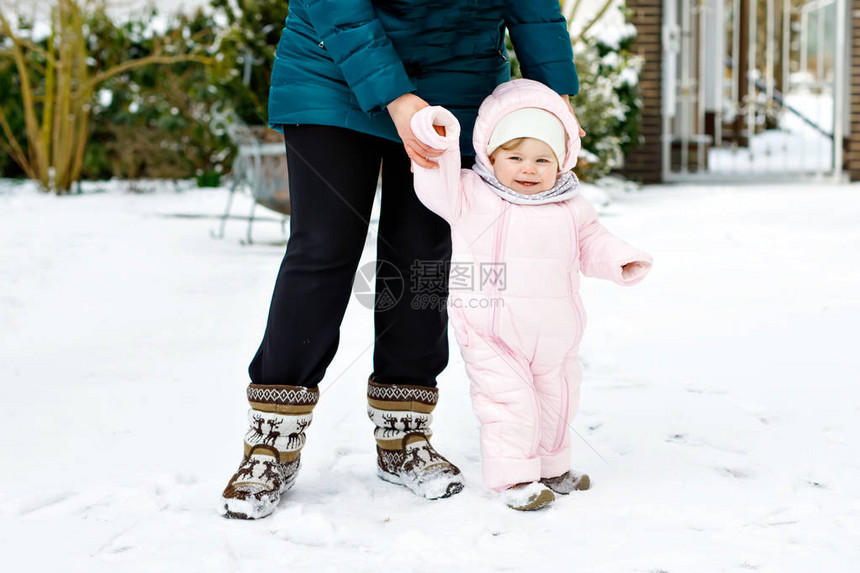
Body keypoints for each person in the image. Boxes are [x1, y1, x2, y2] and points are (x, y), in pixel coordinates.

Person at [221, 1, 583, 519]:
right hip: (333, 69)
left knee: (422, 259)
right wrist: (393, 95)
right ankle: (270, 441)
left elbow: (533, 7)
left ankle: (403, 433)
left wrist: (555, 102)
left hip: (456, 79)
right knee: (323, 249)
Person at [408, 78, 652, 511]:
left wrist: (619, 259)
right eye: (515, 156)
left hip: (555, 332)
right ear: (491, 156)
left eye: (543, 159)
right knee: (508, 402)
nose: (528, 168)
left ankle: (553, 466)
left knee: (558, 399)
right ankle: (514, 478)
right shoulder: (469, 193)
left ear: (561, 162)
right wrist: (436, 134)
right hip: (492, 328)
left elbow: (592, 241)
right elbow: (432, 178)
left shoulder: (571, 205)